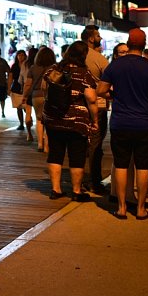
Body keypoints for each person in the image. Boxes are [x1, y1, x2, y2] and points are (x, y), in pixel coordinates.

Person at [98, 28, 148, 220]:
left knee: (121, 165)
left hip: (120, 122)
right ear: (144, 44)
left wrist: (114, 95)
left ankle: (121, 208)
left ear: (128, 43)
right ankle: (140, 209)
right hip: (145, 123)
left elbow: (100, 90)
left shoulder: (115, 65)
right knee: (143, 166)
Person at [43, 41, 99, 201]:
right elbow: (91, 98)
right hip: (76, 121)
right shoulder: (84, 73)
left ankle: (56, 190)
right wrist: (94, 120)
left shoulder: (55, 69)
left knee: (55, 154)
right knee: (77, 156)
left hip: (54, 119)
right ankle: (76, 191)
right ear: (83, 55)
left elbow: (45, 86)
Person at [82, 26, 110, 194]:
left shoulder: (72, 55)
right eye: (98, 35)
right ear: (91, 39)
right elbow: (109, 81)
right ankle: (94, 181)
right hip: (97, 106)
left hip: (77, 106)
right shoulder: (99, 59)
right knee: (96, 145)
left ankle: (80, 180)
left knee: (80, 144)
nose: (100, 37)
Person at [22, 47, 56, 152]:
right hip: (50, 95)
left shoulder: (33, 68)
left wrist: (24, 96)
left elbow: (27, 84)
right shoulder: (55, 68)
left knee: (39, 119)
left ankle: (40, 144)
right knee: (49, 120)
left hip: (36, 96)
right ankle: (47, 146)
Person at [8, 50, 29, 135]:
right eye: (19, 55)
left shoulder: (27, 66)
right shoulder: (14, 66)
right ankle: (21, 123)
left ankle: (28, 121)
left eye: (22, 55)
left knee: (26, 107)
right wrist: (8, 88)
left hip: (25, 88)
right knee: (18, 107)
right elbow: (10, 77)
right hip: (16, 88)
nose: (20, 57)